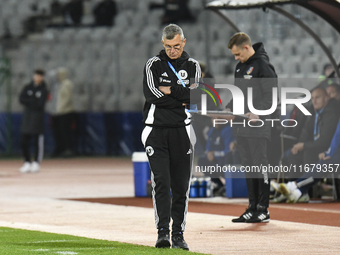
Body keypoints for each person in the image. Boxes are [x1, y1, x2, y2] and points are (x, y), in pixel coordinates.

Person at [142, 24, 201, 250]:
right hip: (155, 130)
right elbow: (151, 94)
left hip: (182, 131)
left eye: (176, 46)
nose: (172, 51)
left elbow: (195, 97)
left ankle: (178, 234)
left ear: (183, 42)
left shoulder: (193, 65)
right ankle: (162, 233)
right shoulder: (153, 64)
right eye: (168, 47)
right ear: (162, 44)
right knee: (161, 182)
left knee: (181, 185)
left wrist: (170, 89)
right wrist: (181, 94)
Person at [226, 32, 277, 223]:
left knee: (260, 165)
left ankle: (263, 209)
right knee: (248, 168)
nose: (236, 58)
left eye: (238, 54)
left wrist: (259, 113)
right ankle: (252, 207)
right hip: (242, 127)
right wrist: (228, 109)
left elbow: (271, 97)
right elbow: (238, 94)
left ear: (247, 47)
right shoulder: (240, 68)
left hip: (259, 127)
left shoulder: (263, 66)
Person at [283, 88, 338, 167]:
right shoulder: (313, 112)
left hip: (326, 148)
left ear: (326, 98)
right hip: (313, 146)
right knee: (294, 154)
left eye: (317, 97)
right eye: (312, 98)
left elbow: (325, 141)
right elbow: (306, 131)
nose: (314, 101)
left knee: (309, 153)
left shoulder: (331, 114)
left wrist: (304, 145)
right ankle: (294, 179)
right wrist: (299, 145)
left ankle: (309, 179)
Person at [19, 69, 49, 173]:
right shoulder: (28, 87)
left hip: (38, 118)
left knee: (37, 141)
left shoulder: (44, 89)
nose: (37, 77)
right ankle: (27, 161)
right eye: (36, 75)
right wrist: (32, 100)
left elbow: (40, 104)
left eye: (39, 76)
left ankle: (36, 162)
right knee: (24, 140)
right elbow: (21, 99)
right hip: (27, 117)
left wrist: (30, 100)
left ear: (42, 77)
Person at [50, 68, 75, 157]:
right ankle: (59, 149)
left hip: (65, 112)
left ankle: (67, 149)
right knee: (57, 132)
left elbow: (67, 98)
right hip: (56, 112)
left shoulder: (67, 84)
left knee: (65, 132)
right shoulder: (56, 85)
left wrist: (60, 109)